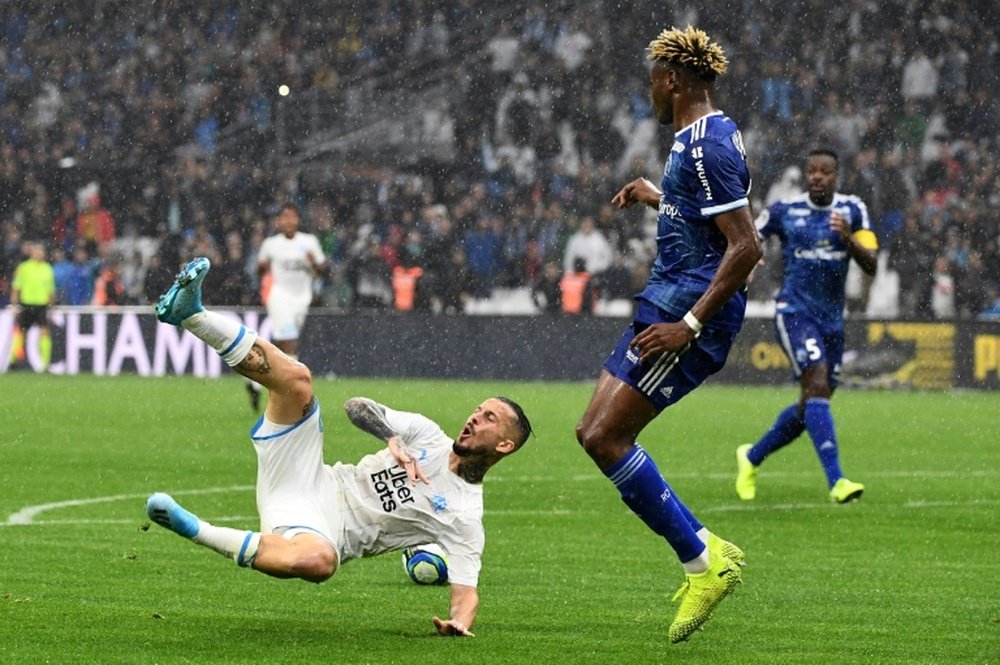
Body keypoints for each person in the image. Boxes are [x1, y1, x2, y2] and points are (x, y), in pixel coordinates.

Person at [147, 257, 532, 636]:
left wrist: (459, 622)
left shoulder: (465, 517)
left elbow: (466, 593)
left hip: (321, 527)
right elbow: (356, 406)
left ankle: (197, 529)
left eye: (489, 419)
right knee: (298, 381)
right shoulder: (427, 435)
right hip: (310, 475)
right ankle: (191, 314)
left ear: (505, 445)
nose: (475, 418)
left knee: (320, 562)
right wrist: (390, 437)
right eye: (479, 410)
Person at [574, 27, 762, 644]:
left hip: (685, 313)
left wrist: (689, 324)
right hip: (667, 297)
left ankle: (702, 563)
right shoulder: (698, 137)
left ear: (673, 81)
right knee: (592, 432)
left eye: (653, 78)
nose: (649, 89)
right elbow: (708, 222)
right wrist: (661, 198)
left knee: (605, 436)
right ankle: (705, 552)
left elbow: (746, 248)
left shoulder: (707, 147)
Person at [736, 148, 878, 504]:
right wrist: (750, 262)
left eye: (825, 172)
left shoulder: (853, 210)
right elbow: (747, 239)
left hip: (832, 320)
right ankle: (838, 481)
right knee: (816, 383)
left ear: (836, 176)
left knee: (812, 405)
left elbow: (872, 264)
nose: (817, 177)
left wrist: (848, 238)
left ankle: (751, 457)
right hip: (795, 312)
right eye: (812, 170)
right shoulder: (785, 211)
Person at [250, 203, 326, 411]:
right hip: (280, 297)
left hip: (302, 299)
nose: (288, 221)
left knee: (284, 347)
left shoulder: (309, 242)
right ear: (279, 221)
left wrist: (313, 262)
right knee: (289, 342)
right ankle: (294, 388)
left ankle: (255, 383)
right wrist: (261, 267)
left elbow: (321, 271)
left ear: (297, 220)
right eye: (284, 217)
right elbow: (258, 269)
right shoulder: (271, 244)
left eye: (292, 217)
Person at [8, 241, 56, 371]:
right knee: (22, 334)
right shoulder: (23, 268)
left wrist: (52, 306)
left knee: (44, 332)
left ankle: (45, 365)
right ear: (32, 253)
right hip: (26, 304)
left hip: (41, 305)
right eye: (36, 251)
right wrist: (14, 304)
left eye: (41, 251)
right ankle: (12, 361)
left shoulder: (48, 269)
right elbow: (16, 287)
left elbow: (51, 290)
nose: (39, 253)